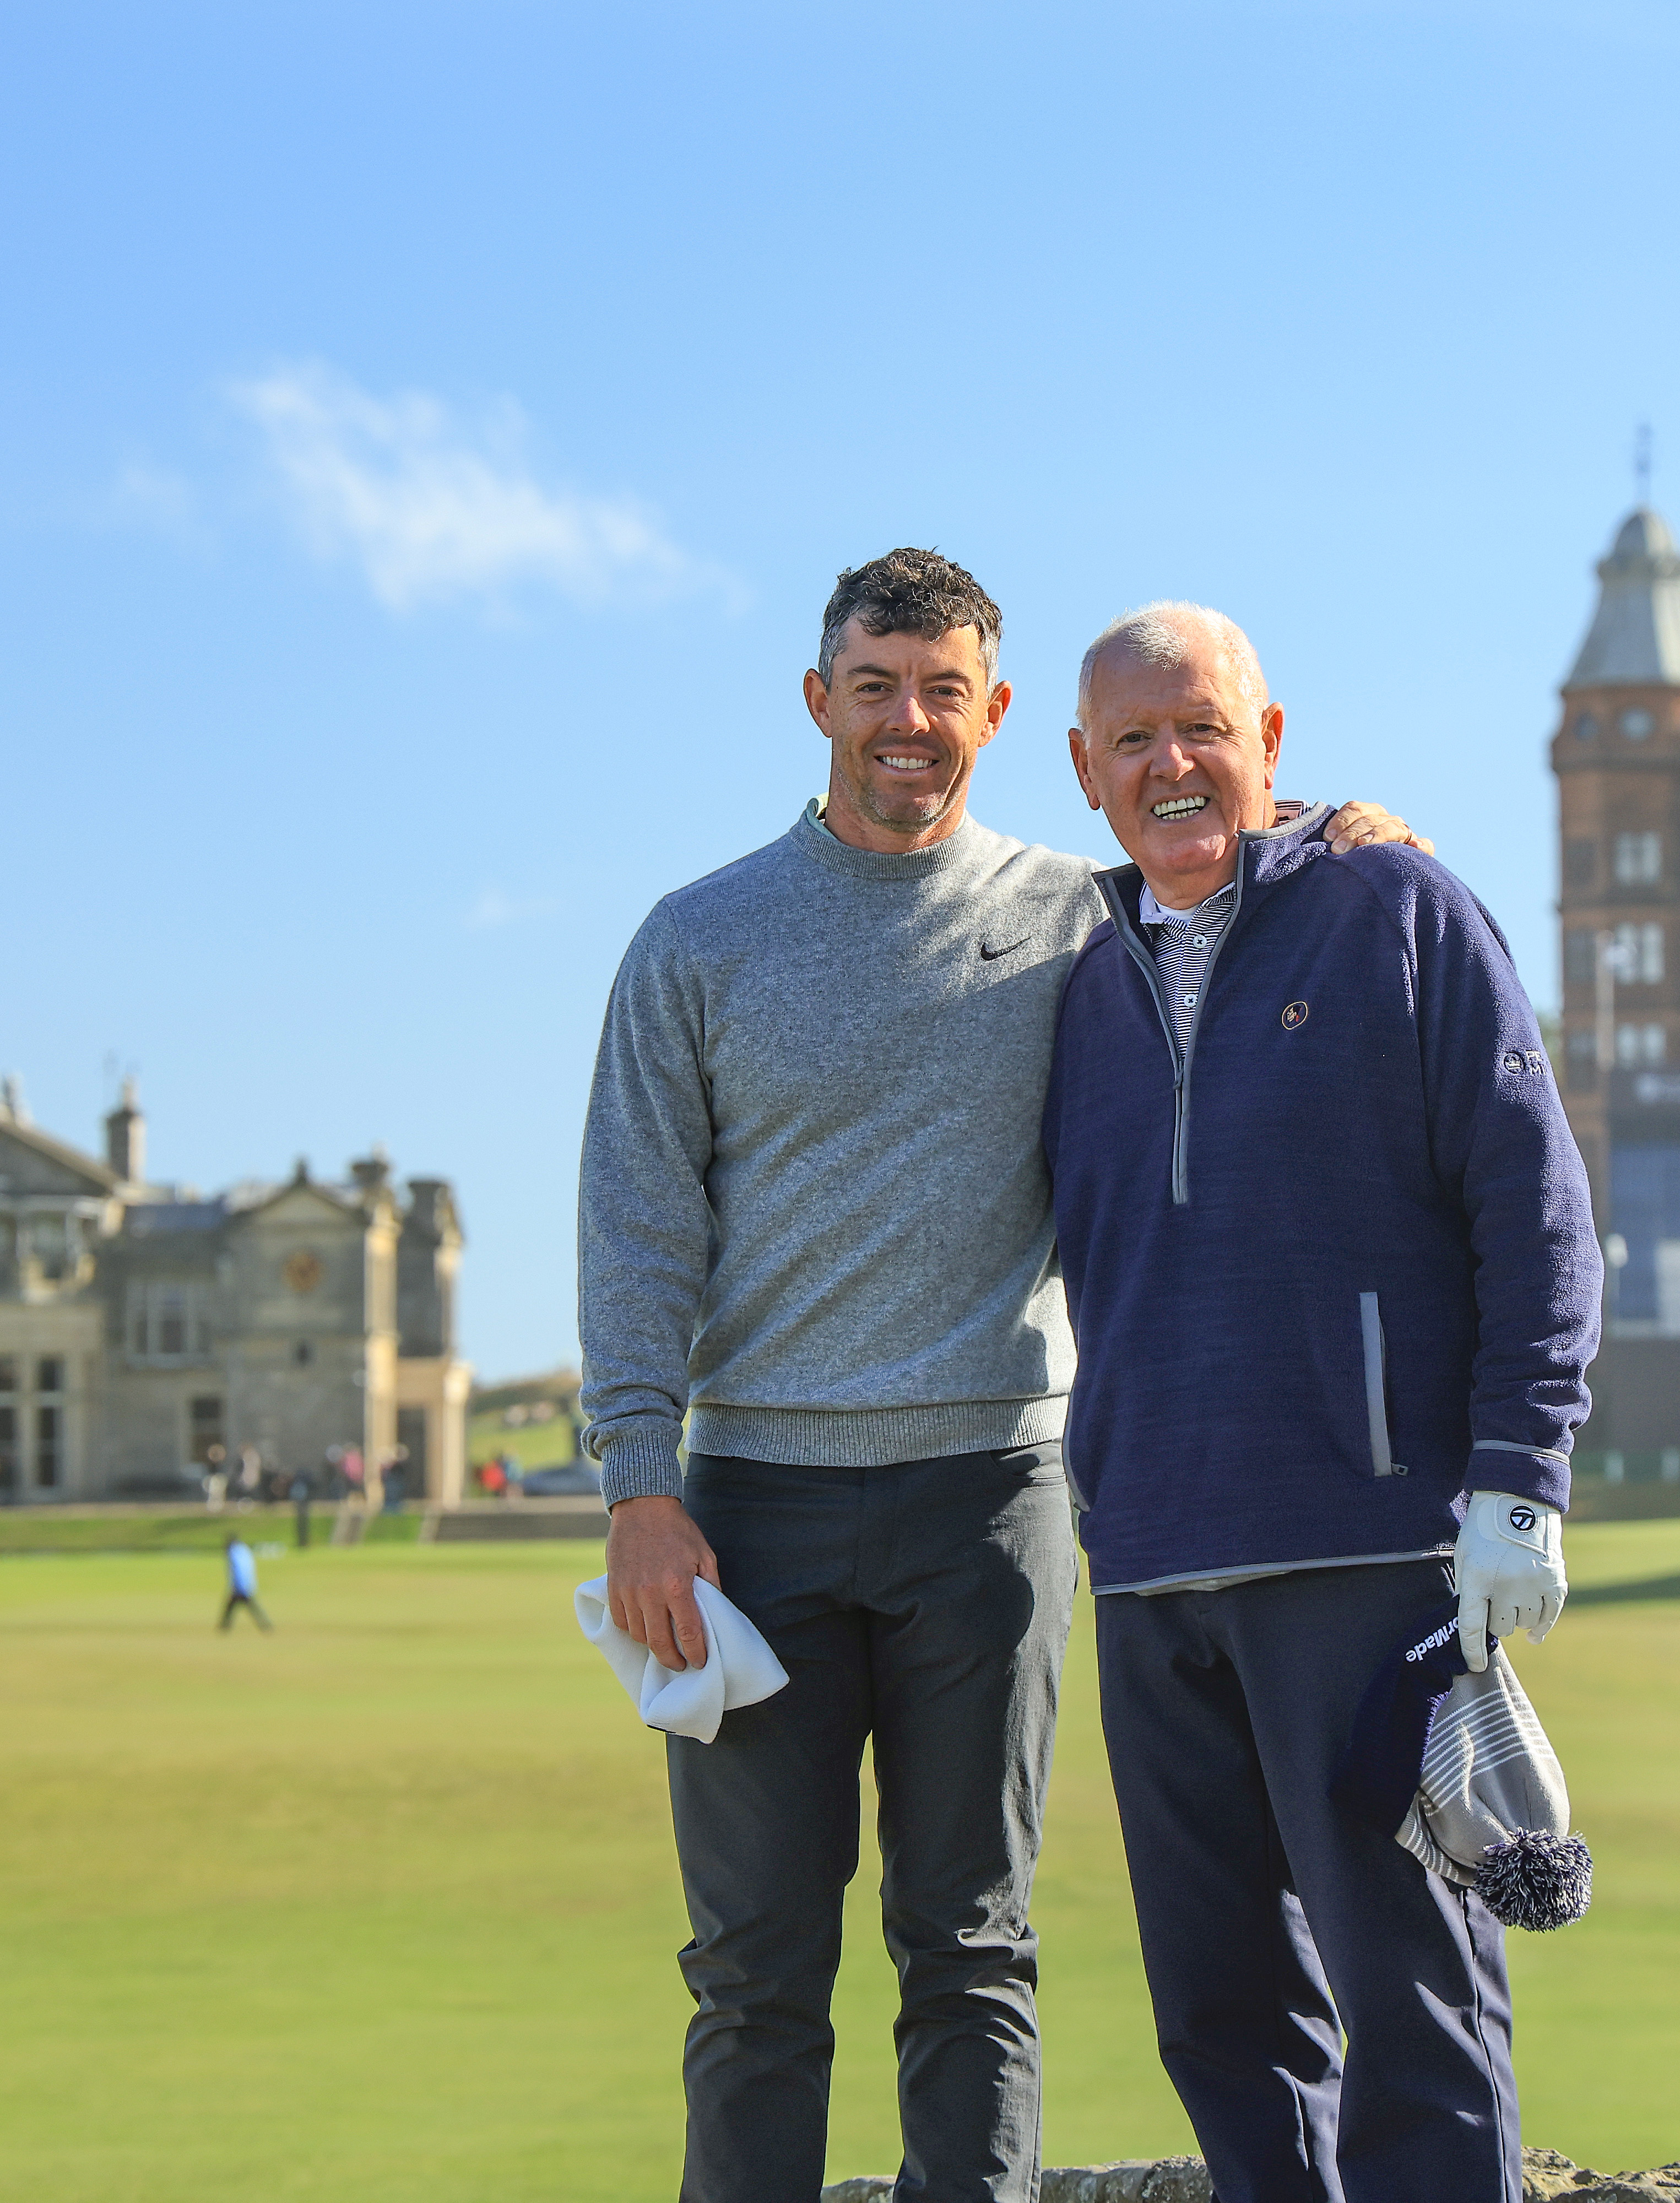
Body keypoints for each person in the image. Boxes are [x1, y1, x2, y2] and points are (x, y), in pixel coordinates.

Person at [580, 550, 1417, 2202]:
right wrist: (636, 1485)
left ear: (996, 713)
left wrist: (1335, 836)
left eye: (941, 689)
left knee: (971, 1947)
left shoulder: (1070, 918)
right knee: (752, 1969)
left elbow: (1210, 850)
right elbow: (635, 1237)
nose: (907, 721)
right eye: (874, 686)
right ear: (818, 701)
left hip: (993, 1505)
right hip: (750, 1510)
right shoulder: (691, 944)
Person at [1042, 605, 1600, 2203]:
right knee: (1221, 2019)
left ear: (1271, 743)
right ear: (1084, 769)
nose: (1172, 765)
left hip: (1367, 1565)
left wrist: (1518, 1477)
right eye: (1134, 740)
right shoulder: (1061, 975)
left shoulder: (1398, 908)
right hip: (1152, 1569)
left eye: (1203, 726)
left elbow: (1534, 1206)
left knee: (1417, 2012)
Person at [217, 1533, 271, 1633]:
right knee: (244, 1607)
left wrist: (238, 1586)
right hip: (247, 1585)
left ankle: (224, 1627)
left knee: (236, 1607)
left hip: (241, 1587)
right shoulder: (244, 1550)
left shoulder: (234, 1553)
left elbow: (238, 1571)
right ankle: (265, 1625)